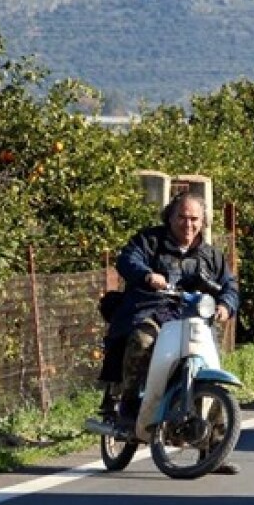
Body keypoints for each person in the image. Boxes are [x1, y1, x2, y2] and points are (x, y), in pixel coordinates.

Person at [100, 191, 240, 474]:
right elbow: (127, 259)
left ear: (204, 222)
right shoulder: (150, 241)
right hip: (153, 311)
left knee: (211, 367)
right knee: (141, 341)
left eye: (194, 219)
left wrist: (226, 306)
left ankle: (214, 448)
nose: (188, 224)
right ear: (171, 217)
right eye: (182, 217)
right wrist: (147, 276)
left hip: (194, 317)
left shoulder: (212, 256)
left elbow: (230, 286)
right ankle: (129, 404)